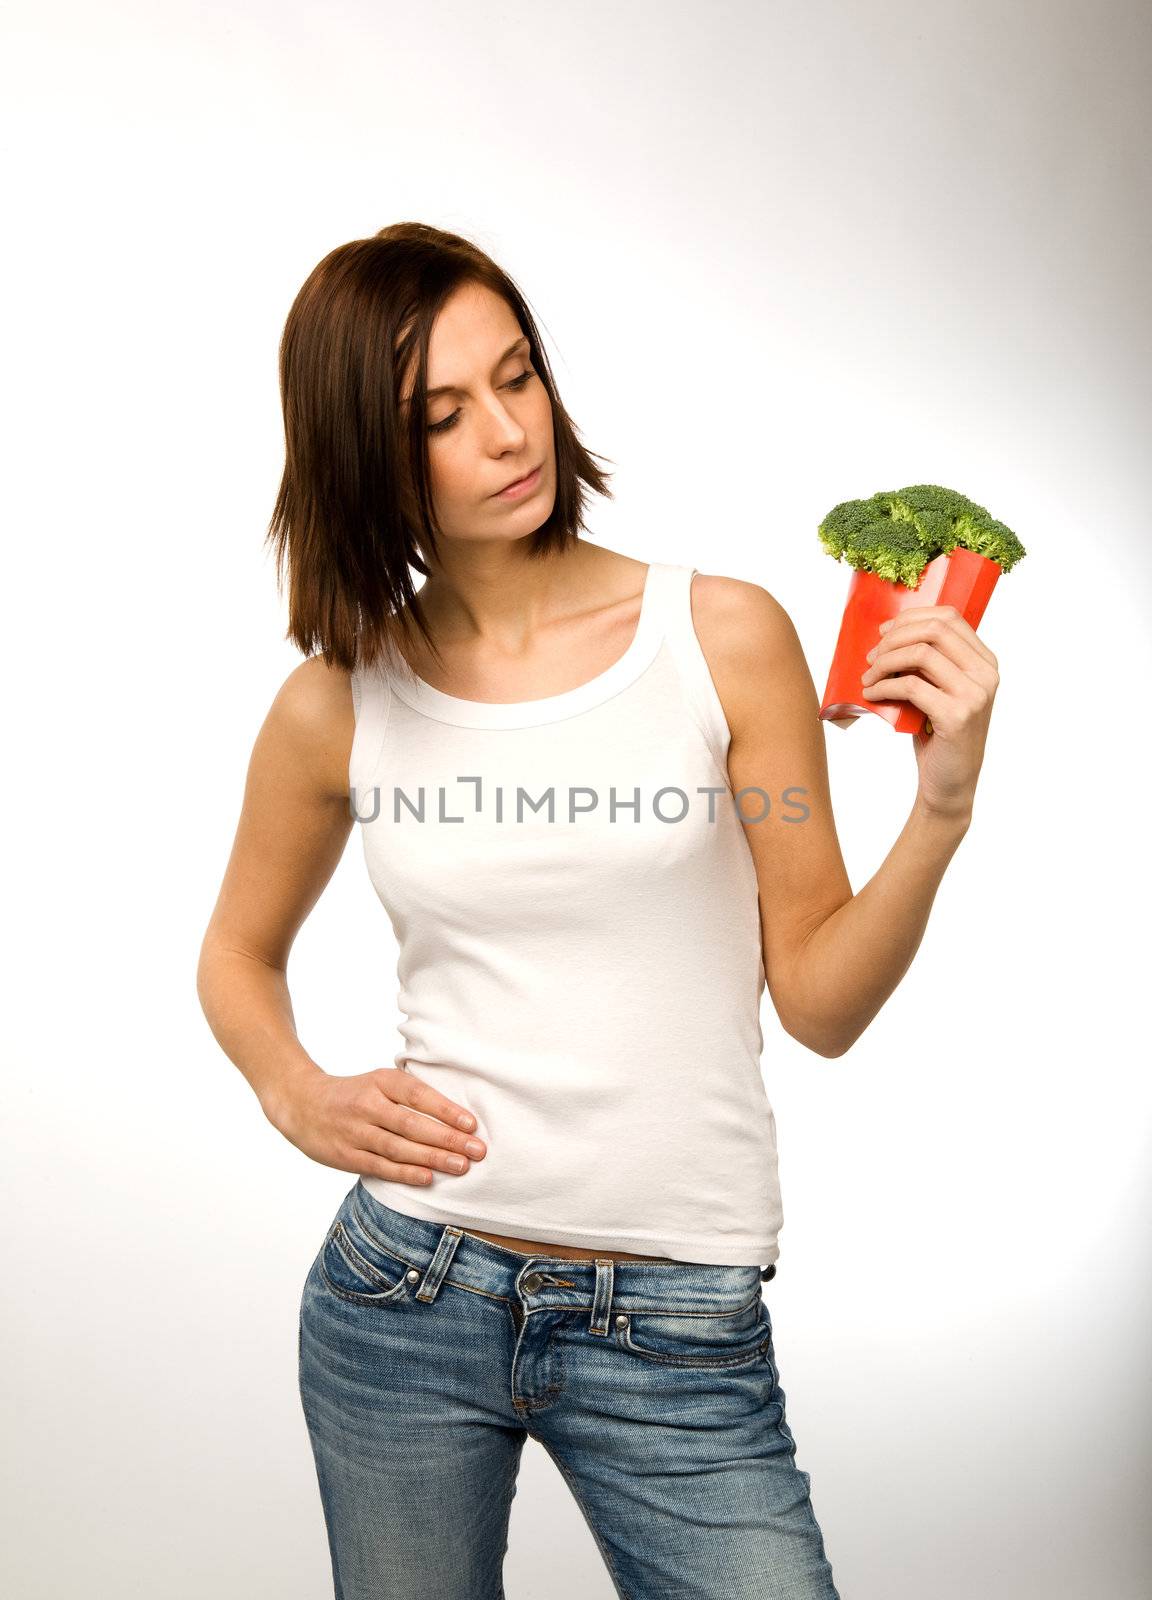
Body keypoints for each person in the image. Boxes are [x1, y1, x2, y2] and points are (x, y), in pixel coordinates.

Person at [197, 222, 998, 1599]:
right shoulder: (337, 701)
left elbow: (815, 1002)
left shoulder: (724, 637)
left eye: (518, 377)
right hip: (406, 1298)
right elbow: (235, 953)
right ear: (364, 457)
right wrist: (295, 1091)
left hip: (677, 1322)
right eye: (441, 415)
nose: (509, 433)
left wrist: (940, 810)